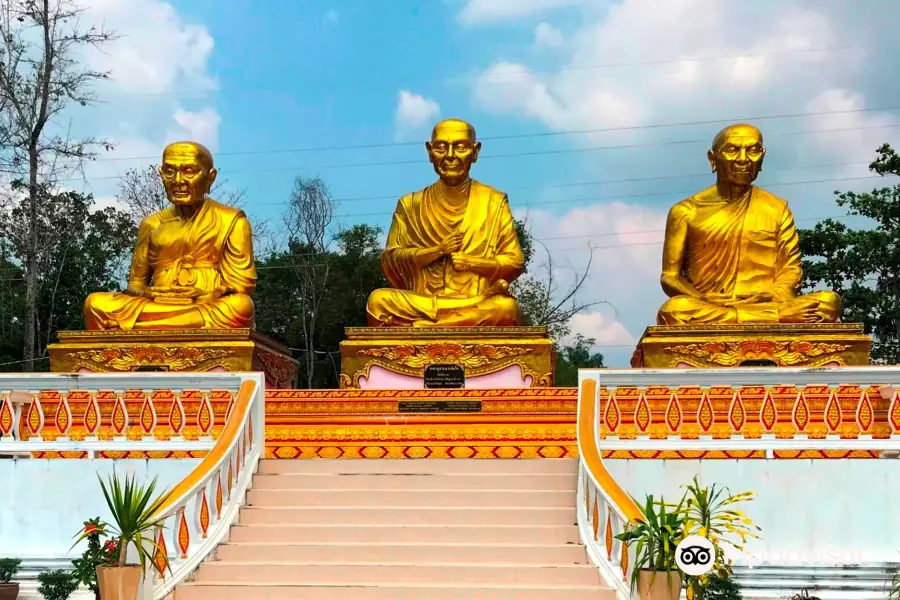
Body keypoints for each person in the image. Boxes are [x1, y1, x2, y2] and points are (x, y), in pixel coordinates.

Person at [657, 123, 841, 325]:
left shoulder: (776, 208)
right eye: (732, 150)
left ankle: (750, 317)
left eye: (753, 151)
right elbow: (670, 277)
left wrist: (772, 295)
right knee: (674, 310)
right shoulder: (686, 211)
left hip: (766, 302)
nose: (743, 159)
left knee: (829, 302)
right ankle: (767, 319)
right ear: (713, 158)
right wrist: (701, 298)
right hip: (713, 306)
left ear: (762, 157)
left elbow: (791, 271)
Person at [365, 118, 525, 327]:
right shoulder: (410, 204)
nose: (450, 156)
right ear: (430, 152)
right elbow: (390, 259)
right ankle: (451, 322)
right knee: (378, 302)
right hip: (422, 301)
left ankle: (434, 327)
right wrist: (435, 251)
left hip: (477, 299)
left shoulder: (493, 201)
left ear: (475, 152)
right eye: (441, 147)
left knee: (506, 309)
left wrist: (471, 263)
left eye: (460, 147)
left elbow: (514, 261)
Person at [83, 141, 256, 330]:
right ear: (161, 173)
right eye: (169, 172)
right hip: (158, 303)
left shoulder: (232, 221)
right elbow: (135, 285)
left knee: (241, 306)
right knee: (95, 303)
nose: (178, 180)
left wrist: (210, 294)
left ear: (210, 177)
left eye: (189, 171)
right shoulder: (151, 224)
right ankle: (178, 326)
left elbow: (241, 285)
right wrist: (149, 294)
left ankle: (152, 327)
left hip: (206, 304)